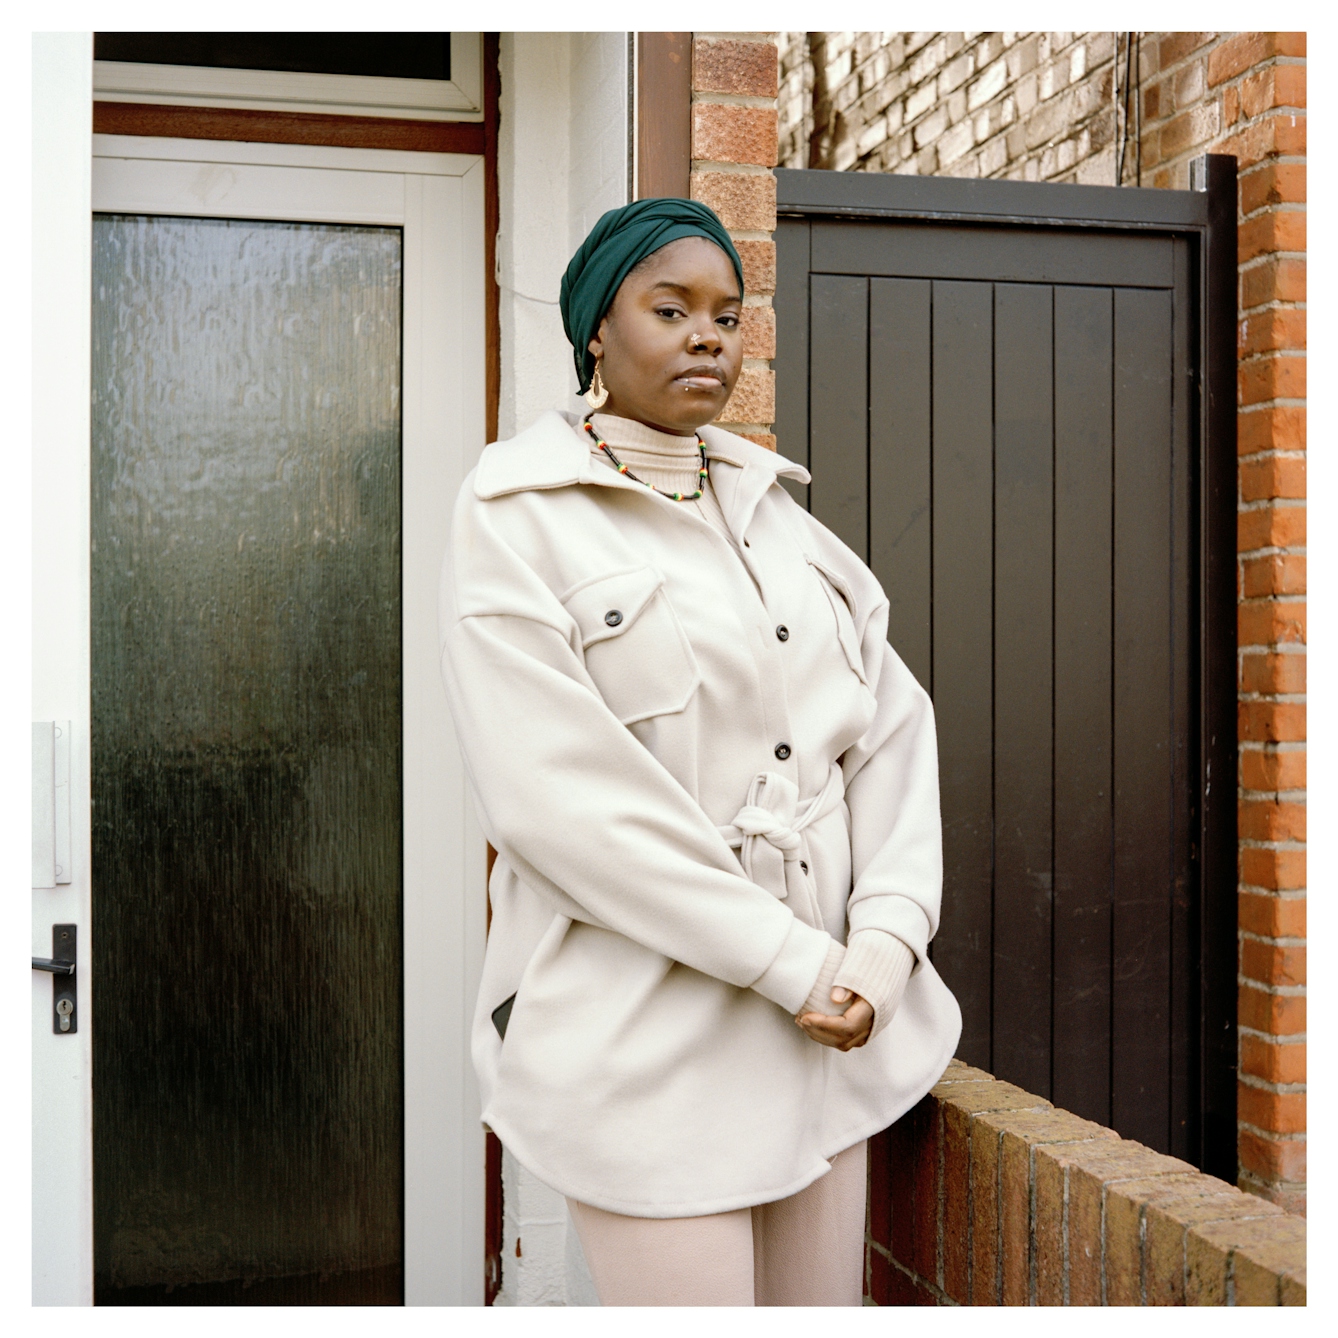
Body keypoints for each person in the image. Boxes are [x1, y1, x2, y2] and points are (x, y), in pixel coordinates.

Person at [438, 197, 961, 1306]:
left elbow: (890, 739)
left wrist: (882, 945)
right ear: (595, 328)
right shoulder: (514, 516)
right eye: (669, 307)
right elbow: (559, 801)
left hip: (827, 1037)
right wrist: (794, 962)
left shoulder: (784, 519)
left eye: (729, 314)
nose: (707, 336)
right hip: (647, 1046)